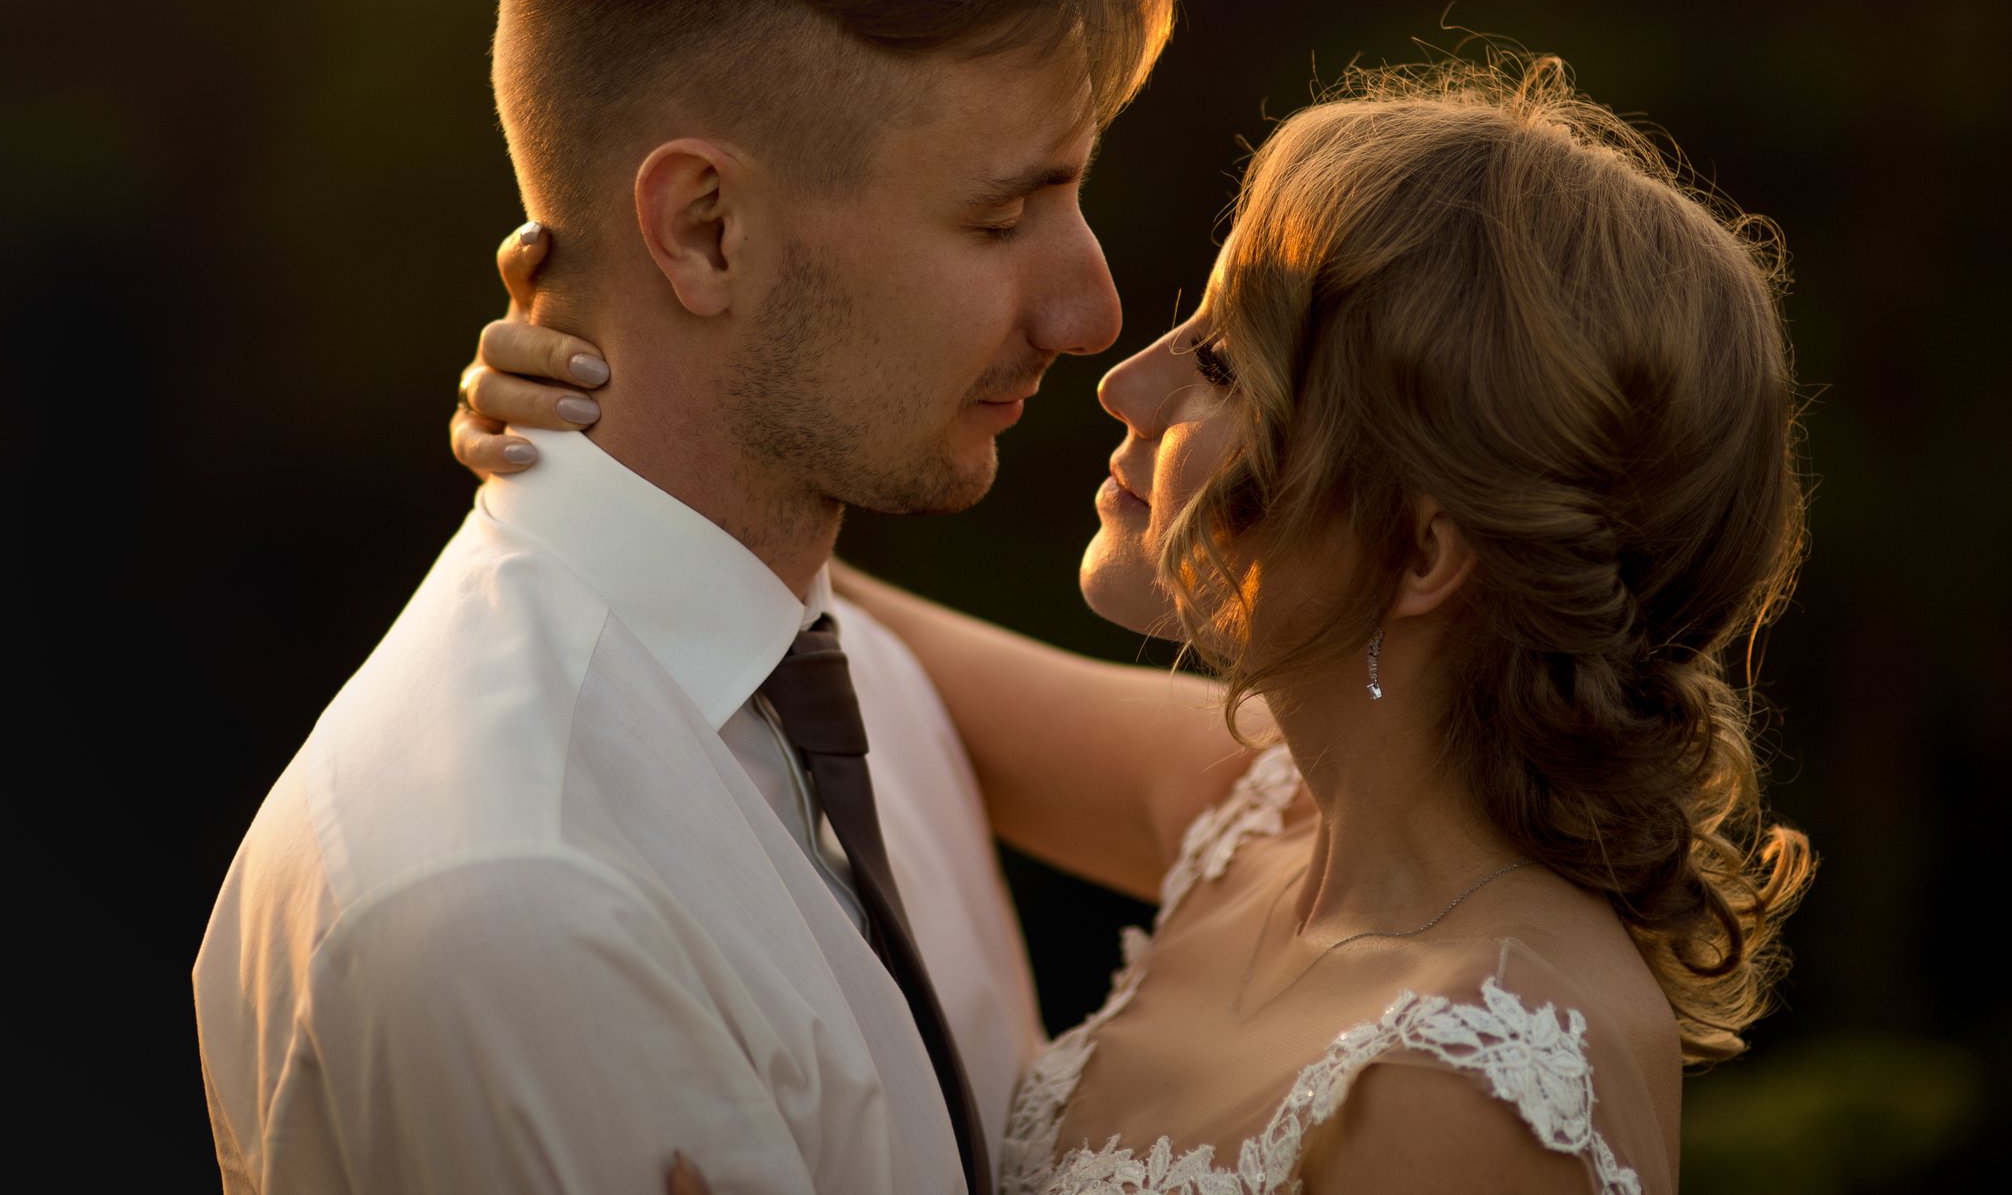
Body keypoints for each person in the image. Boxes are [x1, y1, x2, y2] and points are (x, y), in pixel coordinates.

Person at [458, 58, 1815, 1194]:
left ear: (1420, 551)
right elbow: (814, 626)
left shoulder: (1466, 1092)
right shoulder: (1268, 811)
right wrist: (617, 431)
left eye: (1223, 365)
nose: (1127, 383)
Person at [191, 0, 1178, 1195]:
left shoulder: (865, 689)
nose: (1091, 310)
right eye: (1003, 215)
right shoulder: (517, 894)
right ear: (705, 228)